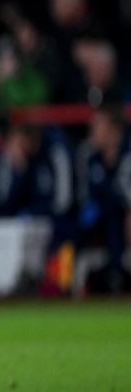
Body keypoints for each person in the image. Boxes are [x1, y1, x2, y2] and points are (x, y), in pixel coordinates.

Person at [74, 104, 131, 294]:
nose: (93, 133)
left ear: (113, 131)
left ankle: (119, 271)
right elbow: (84, 195)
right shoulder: (89, 155)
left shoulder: (127, 155)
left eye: (97, 127)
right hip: (99, 215)